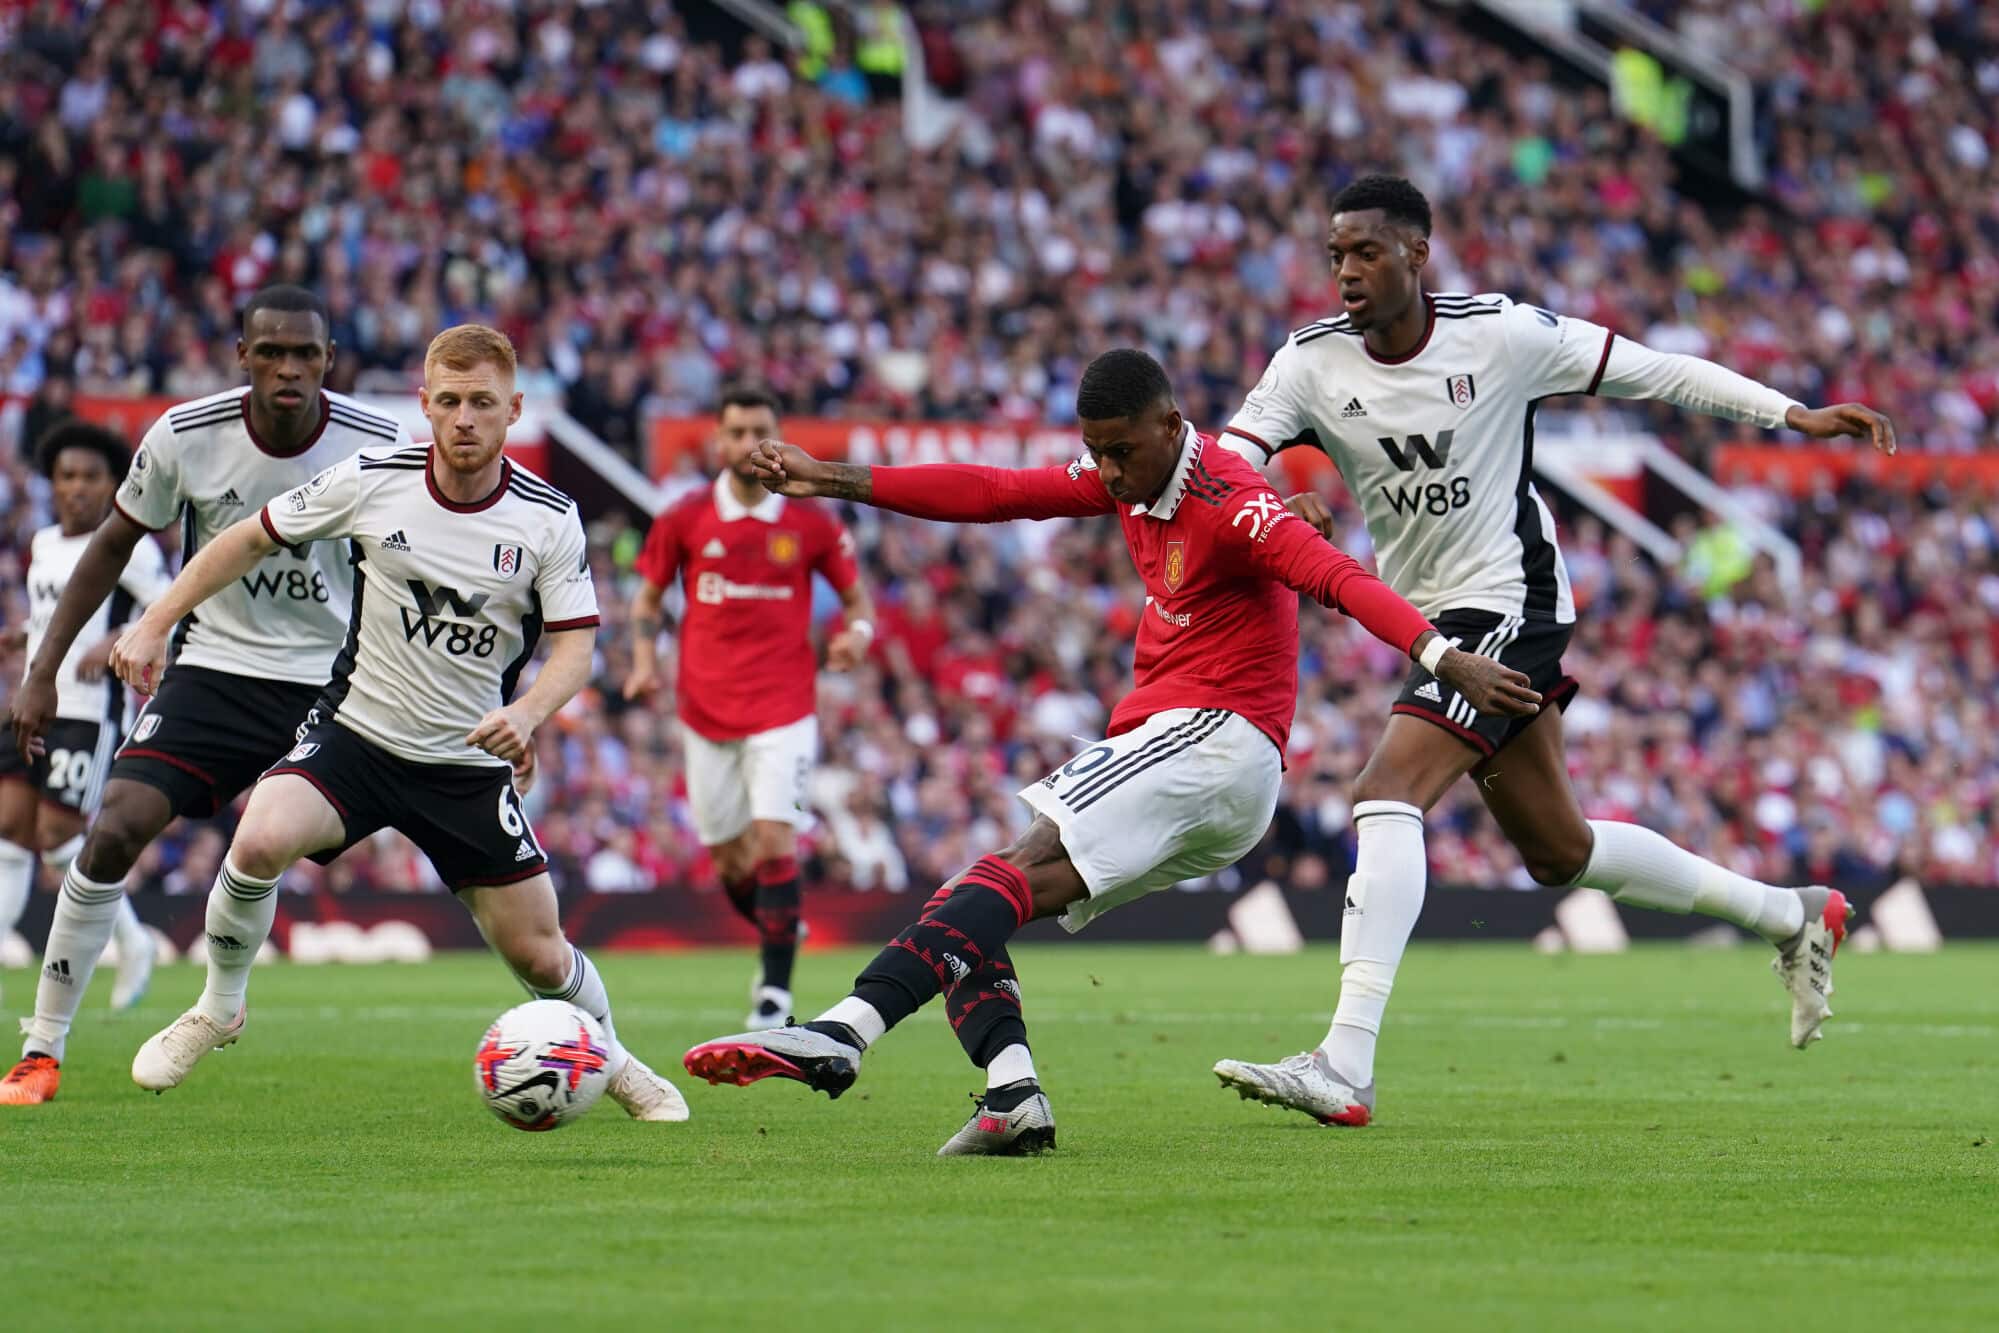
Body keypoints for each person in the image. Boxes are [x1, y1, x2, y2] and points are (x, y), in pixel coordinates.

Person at [680, 349, 1536, 1154]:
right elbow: (993, 490)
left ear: (1170, 425)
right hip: (1208, 769)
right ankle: (1012, 1091)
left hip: (1212, 734)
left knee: (1017, 857)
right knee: (975, 900)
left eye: (1121, 451)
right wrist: (830, 477)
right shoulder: (1130, 478)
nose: (1110, 473)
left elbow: (1336, 577)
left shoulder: (1230, 501)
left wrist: (1441, 655)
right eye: (1096, 454)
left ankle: (842, 1029)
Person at [1211, 174, 1896, 1126]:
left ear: (1416, 254)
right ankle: (1792, 913)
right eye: (1335, 254)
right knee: (1558, 851)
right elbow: (1224, 458)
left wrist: (1792, 414)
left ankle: (1344, 1061)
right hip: (1430, 615)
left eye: (1366, 251)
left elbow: (1656, 370)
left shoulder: (1499, 336)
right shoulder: (1311, 362)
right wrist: (1275, 495)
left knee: (1384, 793)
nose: (1346, 272)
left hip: (1508, 602)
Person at [113, 324, 686, 1122]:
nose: (462, 419)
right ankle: (219, 1005)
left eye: (481, 402)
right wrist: (156, 621)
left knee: (539, 953)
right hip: (356, 737)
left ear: (513, 409)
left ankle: (616, 1061)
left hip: (464, 762)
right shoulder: (373, 478)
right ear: (423, 404)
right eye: (447, 401)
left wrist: (526, 713)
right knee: (261, 834)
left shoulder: (549, 517)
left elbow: (574, 650)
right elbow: (245, 537)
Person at [1, 285, 408, 1107]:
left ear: (330, 360)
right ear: (243, 356)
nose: (289, 368)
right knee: (112, 825)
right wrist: (41, 671)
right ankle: (41, 1048)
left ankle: (585, 1035)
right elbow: (113, 542)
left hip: (338, 678)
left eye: (306, 353)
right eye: (271, 352)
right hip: (216, 668)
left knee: (459, 849)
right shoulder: (187, 433)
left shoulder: (384, 441)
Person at [625, 385, 873, 1029]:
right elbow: (647, 602)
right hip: (704, 712)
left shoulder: (812, 521)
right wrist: (645, 663)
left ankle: (775, 998)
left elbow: (858, 605)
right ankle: (782, 928)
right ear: (718, 441)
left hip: (784, 709)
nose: (745, 444)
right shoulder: (682, 517)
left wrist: (856, 638)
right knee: (731, 862)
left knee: (772, 838)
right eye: (735, 433)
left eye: (758, 430)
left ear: (777, 435)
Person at [0, 423, 169, 1013]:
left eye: (91, 477)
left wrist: (122, 638)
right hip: (31, 702)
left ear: (114, 485)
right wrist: (21, 637)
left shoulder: (133, 547)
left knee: (58, 835)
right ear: (50, 483)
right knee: (12, 830)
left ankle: (132, 942)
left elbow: (169, 607)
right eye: (67, 476)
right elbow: (54, 620)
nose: (77, 488)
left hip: (91, 713)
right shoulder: (44, 543)